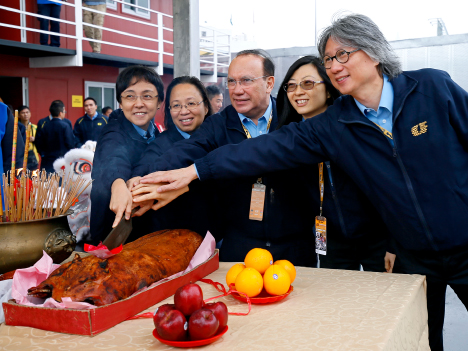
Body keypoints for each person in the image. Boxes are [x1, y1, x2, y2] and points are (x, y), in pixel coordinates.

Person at [140, 14, 468, 351]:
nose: (335, 66)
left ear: (374, 52)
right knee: (422, 337)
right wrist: (195, 172)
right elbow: (263, 149)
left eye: (344, 54)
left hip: (464, 243)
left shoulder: (431, 88)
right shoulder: (335, 124)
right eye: (328, 59)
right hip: (413, 258)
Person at [129, 50, 318, 268]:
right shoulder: (218, 125)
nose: (237, 90)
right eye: (231, 82)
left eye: (246, 80)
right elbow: (185, 150)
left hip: (295, 244)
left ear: (269, 83)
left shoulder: (293, 115)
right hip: (240, 244)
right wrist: (139, 178)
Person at [277, 55, 390, 272]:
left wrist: (394, 242)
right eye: (291, 86)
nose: (298, 91)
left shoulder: (357, 125)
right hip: (331, 241)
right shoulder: (289, 139)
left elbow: (389, 187)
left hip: (376, 238)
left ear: (328, 90)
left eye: (307, 83)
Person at [107, 75, 213, 243]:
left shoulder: (220, 137)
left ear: (206, 107)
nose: (184, 111)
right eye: (176, 105)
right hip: (174, 238)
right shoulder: (161, 144)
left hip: (219, 233)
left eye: (191, 103)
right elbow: (147, 165)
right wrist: (136, 180)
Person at [89, 65, 165, 245]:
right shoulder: (113, 131)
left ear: (159, 101)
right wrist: (117, 184)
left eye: (147, 96)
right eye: (130, 96)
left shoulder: (159, 136)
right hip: (113, 239)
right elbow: (112, 157)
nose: (139, 103)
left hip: (150, 235)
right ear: (120, 103)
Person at [35, 100, 74, 173]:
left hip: (47, 158)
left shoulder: (45, 125)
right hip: (62, 158)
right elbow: (70, 143)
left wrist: (43, 154)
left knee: (48, 180)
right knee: (61, 181)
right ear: (60, 113)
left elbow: (38, 141)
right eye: (64, 112)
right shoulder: (65, 125)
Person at [18, 106, 39, 170]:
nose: (25, 114)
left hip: (33, 156)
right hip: (21, 156)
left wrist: (35, 139)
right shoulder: (17, 128)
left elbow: (42, 141)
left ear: (30, 114)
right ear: (18, 115)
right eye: (23, 113)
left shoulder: (35, 127)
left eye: (27, 112)